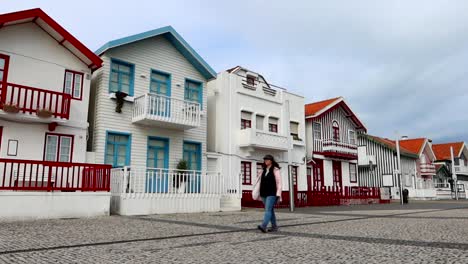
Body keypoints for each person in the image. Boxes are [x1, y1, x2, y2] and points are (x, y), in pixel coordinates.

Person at [252, 154, 282, 233]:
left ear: (271, 161)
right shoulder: (263, 170)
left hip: (272, 193)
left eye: (267, 159)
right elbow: (258, 181)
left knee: (267, 210)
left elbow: (279, 183)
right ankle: (274, 227)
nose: (265, 161)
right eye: (265, 159)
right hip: (263, 193)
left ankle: (263, 226)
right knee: (270, 210)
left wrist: (278, 194)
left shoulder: (276, 170)